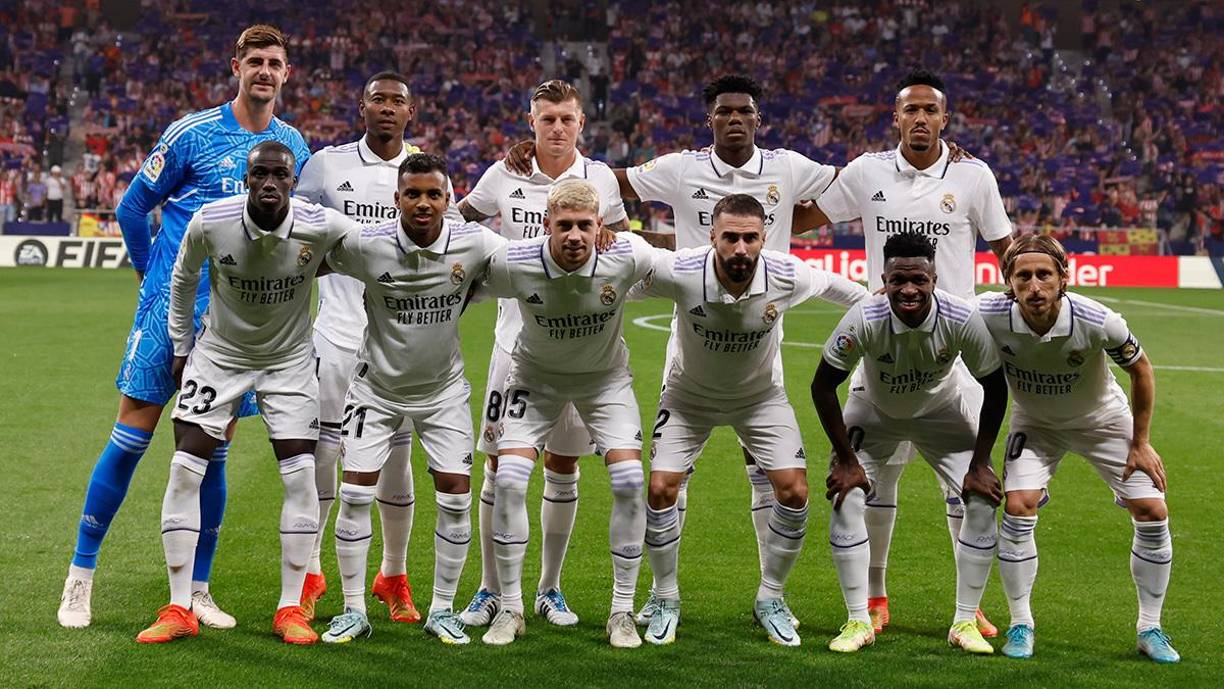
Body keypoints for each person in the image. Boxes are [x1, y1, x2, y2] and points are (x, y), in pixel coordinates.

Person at [58, 24, 311, 630]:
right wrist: (151, 280)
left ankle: (197, 589)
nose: (265, 71)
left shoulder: (291, 145)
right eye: (255, 61)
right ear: (236, 67)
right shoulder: (191, 134)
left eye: (275, 62)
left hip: (236, 328)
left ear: (287, 74)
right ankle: (79, 577)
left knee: (213, 451)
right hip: (167, 315)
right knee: (132, 435)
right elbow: (131, 207)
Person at [798, 68, 1014, 636]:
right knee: (878, 481)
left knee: (964, 483)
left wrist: (1035, 299)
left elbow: (1004, 248)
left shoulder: (974, 176)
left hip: (956, 348)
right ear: (895, 118)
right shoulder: (867, 172)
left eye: (930, 111)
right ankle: (874, 598)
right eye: (910, 110)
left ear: (945, 119)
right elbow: (806, 219)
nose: (920, 119)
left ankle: (971, 606)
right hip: (885, 343)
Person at [136, 142, 356, 645]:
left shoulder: (318, 223)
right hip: (219, 355)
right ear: (247, 178)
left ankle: (289, 609)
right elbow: (183, 277)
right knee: (182, 469)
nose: (271, 183)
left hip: (290, 363)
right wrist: (179, 344)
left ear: (293, 181)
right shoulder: (212, 221)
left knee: (301, 478)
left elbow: (375, 241)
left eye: (281, 175)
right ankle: (177, 606)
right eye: (262, 175)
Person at [636, 193, 868, 647]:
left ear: (764, 238)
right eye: (730, 238)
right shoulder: (681, 271)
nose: (740, 248)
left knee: (795, 491)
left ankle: (771, 597)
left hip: (759, 398)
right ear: (712, 237)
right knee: (661, 488)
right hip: (689, 396)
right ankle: (665, 596)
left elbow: (832, 285)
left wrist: (875, 306)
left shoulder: (785, 273)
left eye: (750, 238)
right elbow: (626, 280)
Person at [456, 80, 629, 629]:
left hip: (581, 347)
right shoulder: (500, 175)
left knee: (563, 466)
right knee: (498, 470)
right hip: (516, 346)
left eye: (567, 119)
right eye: (547, 118)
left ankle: (549, 588)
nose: (557, 127)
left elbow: (619, 244)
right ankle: (489, 588)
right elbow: (458, 225)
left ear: (582, 124)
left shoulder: (599, 178)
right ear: (530, 122)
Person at [318, 153, 506, 646]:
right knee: (356, 493)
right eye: (413, 194)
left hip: (443, 392)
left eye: (433, 194)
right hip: (375, 389)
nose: (423, 203)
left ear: (448, 199)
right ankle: (353, 609)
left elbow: (523, 266)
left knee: (456, 499)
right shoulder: (367, 244)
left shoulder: (475, 241)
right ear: (396, 199)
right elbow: (309, 260)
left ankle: (442, 608)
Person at [295, 70, 460, 625]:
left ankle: (393, 575)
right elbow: (297, 233)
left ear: (411, 112)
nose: (388, 109)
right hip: (335, 336)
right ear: (361, 106)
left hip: (398, 346)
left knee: (395, 462)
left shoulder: (428, 174)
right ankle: (312, 574)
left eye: (398, 101)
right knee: (322, 458)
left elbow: (450, 250)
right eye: (378, 100)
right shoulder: (327, 165)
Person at [979, 235, 1179, 663]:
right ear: (1008, 281)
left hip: (1104, 422)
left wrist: (1140, 443)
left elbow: (1141, 370)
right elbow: (939, 307)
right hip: (1036, 424)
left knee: (1152, 511)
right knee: (1018, 506)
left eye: (1044, 275)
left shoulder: (1096, 319)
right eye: (1023, 276)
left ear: (1063, 279)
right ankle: (1020, 623)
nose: (1034, 286)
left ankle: (1151, 627)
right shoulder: (987, 313)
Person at [478, 179, 659, 648]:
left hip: (604, 380)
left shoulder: (628, 254)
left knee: (629, 481)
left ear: (600, 226)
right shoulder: (513, 262)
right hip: (533, 378)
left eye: (585, 225)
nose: (575, 235)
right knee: (511, 478)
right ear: (546, 226)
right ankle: (511, 607)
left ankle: (621, 611)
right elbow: (459, 285)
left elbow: (682, 272)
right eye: (565, 226)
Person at [810, 232, 1007, 654]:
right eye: (898, 280)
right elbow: (823, 385)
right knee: (847, 496)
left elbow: (995, 385)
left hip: (942, 413)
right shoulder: (865, 316)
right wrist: (846, 458)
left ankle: (965, 620)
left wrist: (981, 461)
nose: (909, 289)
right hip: (874, 411)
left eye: (919, 279)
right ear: (883, 278)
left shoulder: (960, 317)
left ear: (934, 277)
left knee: (981, 499)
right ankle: (857, 619)